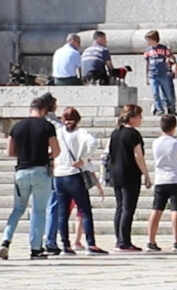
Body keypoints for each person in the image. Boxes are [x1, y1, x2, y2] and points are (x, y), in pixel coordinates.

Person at [2, 96, 60, 260]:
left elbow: (10, 152)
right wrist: (47, 156)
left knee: (17, 209)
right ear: (43, 110)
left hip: (22, 172)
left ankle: (6, 240)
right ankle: (36, 248)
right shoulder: (47, 126)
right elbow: (56, 151)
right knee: (39, 211)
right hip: (41, 171)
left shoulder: (17, 126)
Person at [45, 106, 104, 256]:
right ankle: (90, 244)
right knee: (85, 210)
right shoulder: (81, 133)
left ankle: (66, 245)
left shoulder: (58, 133)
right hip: (74, 174)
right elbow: (93, 143)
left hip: (59, 175)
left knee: (63, 213)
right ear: (78, 120)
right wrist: (83, 159)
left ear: (62, 119)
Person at [108, 104, 150, 252]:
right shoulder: (133, 134)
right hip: (130, 173)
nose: (141, 119)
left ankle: (119, 239)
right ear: (132, 118)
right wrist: (146, 174)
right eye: (139, 116)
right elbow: (138, 155)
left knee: (120, 207)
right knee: (128, 208)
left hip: (116, 173)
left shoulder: (115, 132)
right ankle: (124, 241)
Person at [146, 113, 177, 251]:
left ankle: (151, 240)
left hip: (160, 179)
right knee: (176, 210)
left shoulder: (156, 142)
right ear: (174, 126)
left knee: (156, 210)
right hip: (176, 178)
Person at [142, 30, 177, 116]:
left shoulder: (164, 48)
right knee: (155, 93)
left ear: (154, 39)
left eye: (148, 40)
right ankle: (159, 110)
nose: (147, 42)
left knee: (168, 93)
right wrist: (146, 77)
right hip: (152, 74)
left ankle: (171, 108)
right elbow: (147, 63)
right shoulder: (147, 50)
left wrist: (171, 62)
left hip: (164, 74)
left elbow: (173, 59)